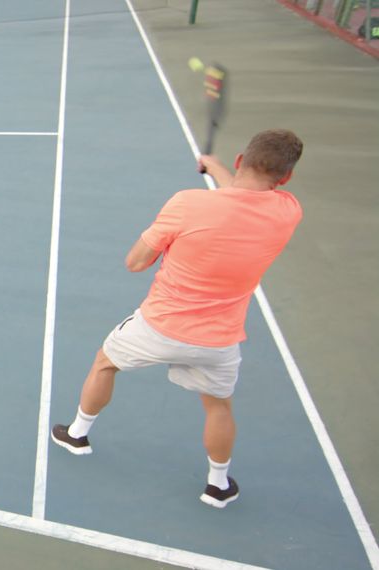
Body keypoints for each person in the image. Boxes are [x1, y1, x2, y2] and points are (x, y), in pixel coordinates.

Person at [51, 129, 305, 509]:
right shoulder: (288, 211)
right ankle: (218, 486)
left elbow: (135, 262)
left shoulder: (188, 204)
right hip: (219, 341)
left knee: (105, 364)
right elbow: (248, 195)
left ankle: (77, 434)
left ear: (241, 161)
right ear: (286, 178)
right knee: (218, 406)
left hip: (159, 326)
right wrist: (215, 167)